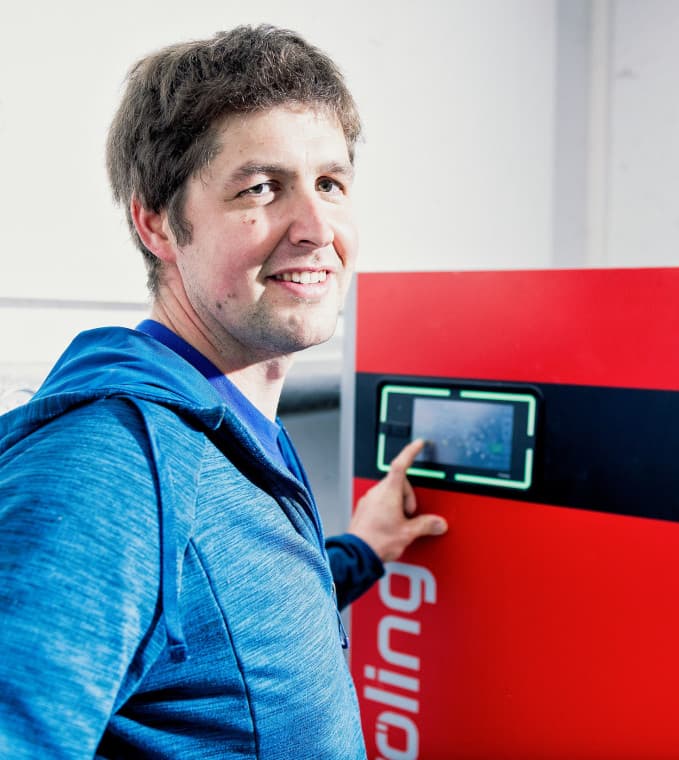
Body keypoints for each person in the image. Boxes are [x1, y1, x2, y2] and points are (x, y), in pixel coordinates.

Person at [0, 23, 447, 759]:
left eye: (330, 184)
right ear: (156, 222)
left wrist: (360, 552)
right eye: (261, 188)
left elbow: (225, 622)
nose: (317, 227)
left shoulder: (231, 424)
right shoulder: (109, 472)